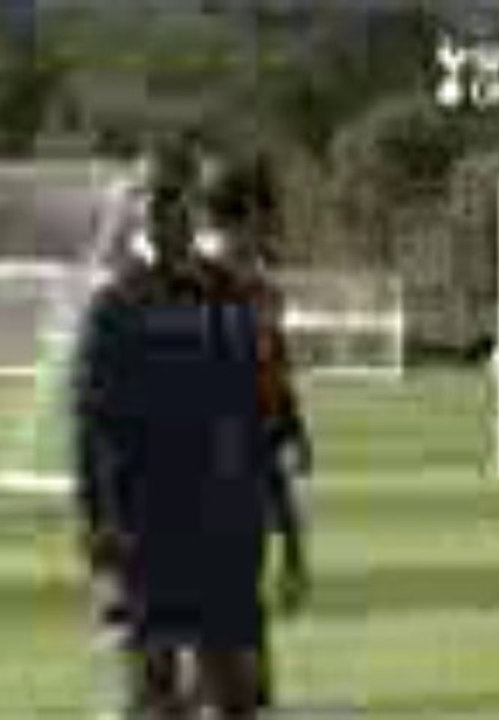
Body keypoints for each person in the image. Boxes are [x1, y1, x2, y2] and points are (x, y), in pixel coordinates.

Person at [71, 134, 271, 719]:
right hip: (143, 531)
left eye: (170, 198)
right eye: (148, 201)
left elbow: (249, 413)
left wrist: (266, 520)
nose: (159, 213)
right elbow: (91, 427)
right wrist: (97, 532)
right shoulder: (115, 306)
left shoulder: (227, 296)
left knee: (236, 692)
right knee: (153, 692)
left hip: (220, 529)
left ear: (193, 205)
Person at [198, 152, 313, 713]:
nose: (277, 227)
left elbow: (273, 380)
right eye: (271, 215)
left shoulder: (262, 290)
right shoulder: (190, 290)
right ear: (247, 216)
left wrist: (293, 426)